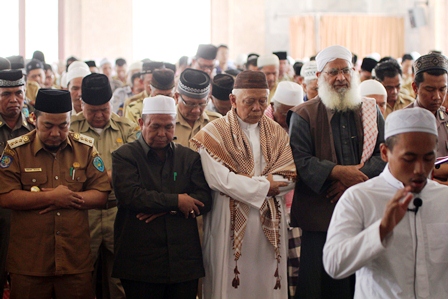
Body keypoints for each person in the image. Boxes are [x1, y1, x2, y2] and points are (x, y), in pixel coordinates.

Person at [287, 45, 386, 299]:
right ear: (320, 76)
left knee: (362, 285)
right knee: (320, 286)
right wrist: (339, 172)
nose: (340, 77)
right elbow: (300, 161)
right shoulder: (303, 114)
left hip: (363, 214)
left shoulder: (370, 110)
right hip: (321, 217)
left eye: (345, 71)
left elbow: (385, 154)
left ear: (354, 73)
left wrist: (351, 181)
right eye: (333, 72)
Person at [191, 70, 296, 299]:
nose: (257, 107)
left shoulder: (278, 133)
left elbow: (289, 175)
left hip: (270, 223)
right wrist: (265, 186)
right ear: (233, 100)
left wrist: (256, 184)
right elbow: (221, 180)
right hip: (226, 222)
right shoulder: (213, 134)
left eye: (262, 101)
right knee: (229, 285)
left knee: (267, 283)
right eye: (250, 101)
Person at [323, 107, 448, 298]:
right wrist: (382, 230)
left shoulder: (444, 198)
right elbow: (334, 264)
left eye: (428, 158)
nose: (420, 169)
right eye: (409, 158)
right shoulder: (359, 198)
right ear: (384, 152)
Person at [0, 89, 110, 299]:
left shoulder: (84, 148)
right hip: (30, 263)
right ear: (34, 119)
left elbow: (102, 193)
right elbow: (5, 196)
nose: (56, 133)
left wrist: (69, 199)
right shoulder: (16, 151)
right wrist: (50, 197)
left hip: (75, 261)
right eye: (48, 126)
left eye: (63, 126)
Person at [111, 95, 212, 299]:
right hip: (141, 263)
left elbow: (204, 200)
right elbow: (131, 196)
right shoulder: (124, 156)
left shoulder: (189, 157)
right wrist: (178, 201)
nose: (162, 134)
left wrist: (165, 208)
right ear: (141, 123)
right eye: (155, 126)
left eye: (168, 127)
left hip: (183, 261)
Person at [70, 73, 139, 299]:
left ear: (111, 104)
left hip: (116, 213)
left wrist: (89, 178)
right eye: (92, 110)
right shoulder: (70, 128)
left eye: (104, 109)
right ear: (81, 105)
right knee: (80, 279)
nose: (99, 115)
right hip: (82, 216)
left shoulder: (126, 128)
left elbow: (132, 171)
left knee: (120, 282)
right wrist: (109, 176)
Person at [0, 69, 35, 298]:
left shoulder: (35, 127)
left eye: (18, 93)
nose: (14, 99)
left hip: (27, 216)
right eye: (6, 94)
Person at [406, 53, 448, 183]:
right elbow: (406, 170)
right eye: (430, 89)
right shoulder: (402, 121)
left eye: (442, 89)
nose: (437, 97)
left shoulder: (446, 117)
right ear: (415, 88)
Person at [174, 69, 221, 148]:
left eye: (202, 104)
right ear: (176, 97)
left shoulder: (217, 123)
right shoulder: (165, 123)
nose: (196, 110)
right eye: (190, 104)